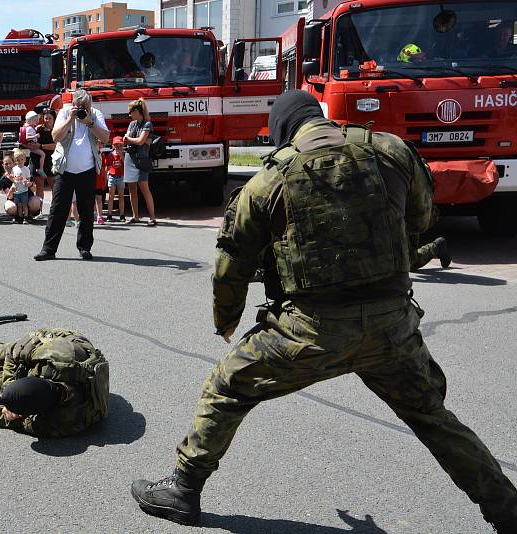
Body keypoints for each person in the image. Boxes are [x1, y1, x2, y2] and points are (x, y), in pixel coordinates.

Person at [130, 90, 517, 533]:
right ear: (320, 118)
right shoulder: (391, 151)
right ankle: (507, 511)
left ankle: (182, 489)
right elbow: (421, 219)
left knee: (227, 388)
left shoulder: (267, 182)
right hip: (391, 326)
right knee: (434, 419)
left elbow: (231, 265)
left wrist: (227, 319)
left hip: (309, 331)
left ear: (281, 131)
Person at [34, 89, 109, 261]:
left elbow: (105, 138)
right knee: (57, 210)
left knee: (86, 210)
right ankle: (48, 249)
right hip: (64, 170)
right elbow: (55, 136)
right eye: (80, 106)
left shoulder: (96, 114)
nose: (83, 109)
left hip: (87, 170)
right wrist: (70, 119)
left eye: (86, 106)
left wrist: (89, 122)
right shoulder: (65, 112)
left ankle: (85, 248)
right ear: (74, 104)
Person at [122, 98, 157, 226]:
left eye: (130, 112)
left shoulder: (147, 124)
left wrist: (132, 139)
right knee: (131, 189)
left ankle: (152, 217)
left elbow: (139, 141)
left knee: (144, 187)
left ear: (137, 111)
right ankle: (135, 216)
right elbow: (130, 139)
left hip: (142, 159)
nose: (129, 115)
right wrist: (136, 140)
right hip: (130, 157)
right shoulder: (132, 124)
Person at [35, 108, 57, 208]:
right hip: (39, 158)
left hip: (52, 159)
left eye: (50, 118)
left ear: (54, 118)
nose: (47, 120)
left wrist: (41, 146)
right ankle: (38, 209)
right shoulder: (39, 129)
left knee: (54, 185)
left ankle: (56, 208)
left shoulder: (57, 129)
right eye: (46, 118)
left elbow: (56, 145)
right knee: (39, 185)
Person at [105, 136, 125, 222]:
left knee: (121, 196)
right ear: (113, 146)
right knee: (111, 196)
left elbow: (126, 165)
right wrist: (107, 174)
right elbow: (107, 167)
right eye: (116, 145)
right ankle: (109, 214)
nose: (118, 147)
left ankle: (122, 215)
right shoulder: (110, 155)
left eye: (120, 145)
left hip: (121, 176)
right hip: (112, 176)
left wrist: (121, 155)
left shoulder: (123, 154)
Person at [20, 110, 46, 177]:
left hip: (32, 144)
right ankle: (41, 169)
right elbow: (27, 138)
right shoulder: (29, 128)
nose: (37, 120)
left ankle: (30, 167)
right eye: (35, 119)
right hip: (32, 145)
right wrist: (35, 136)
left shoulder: (31, 127)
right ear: (31, 120)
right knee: (43, 154)